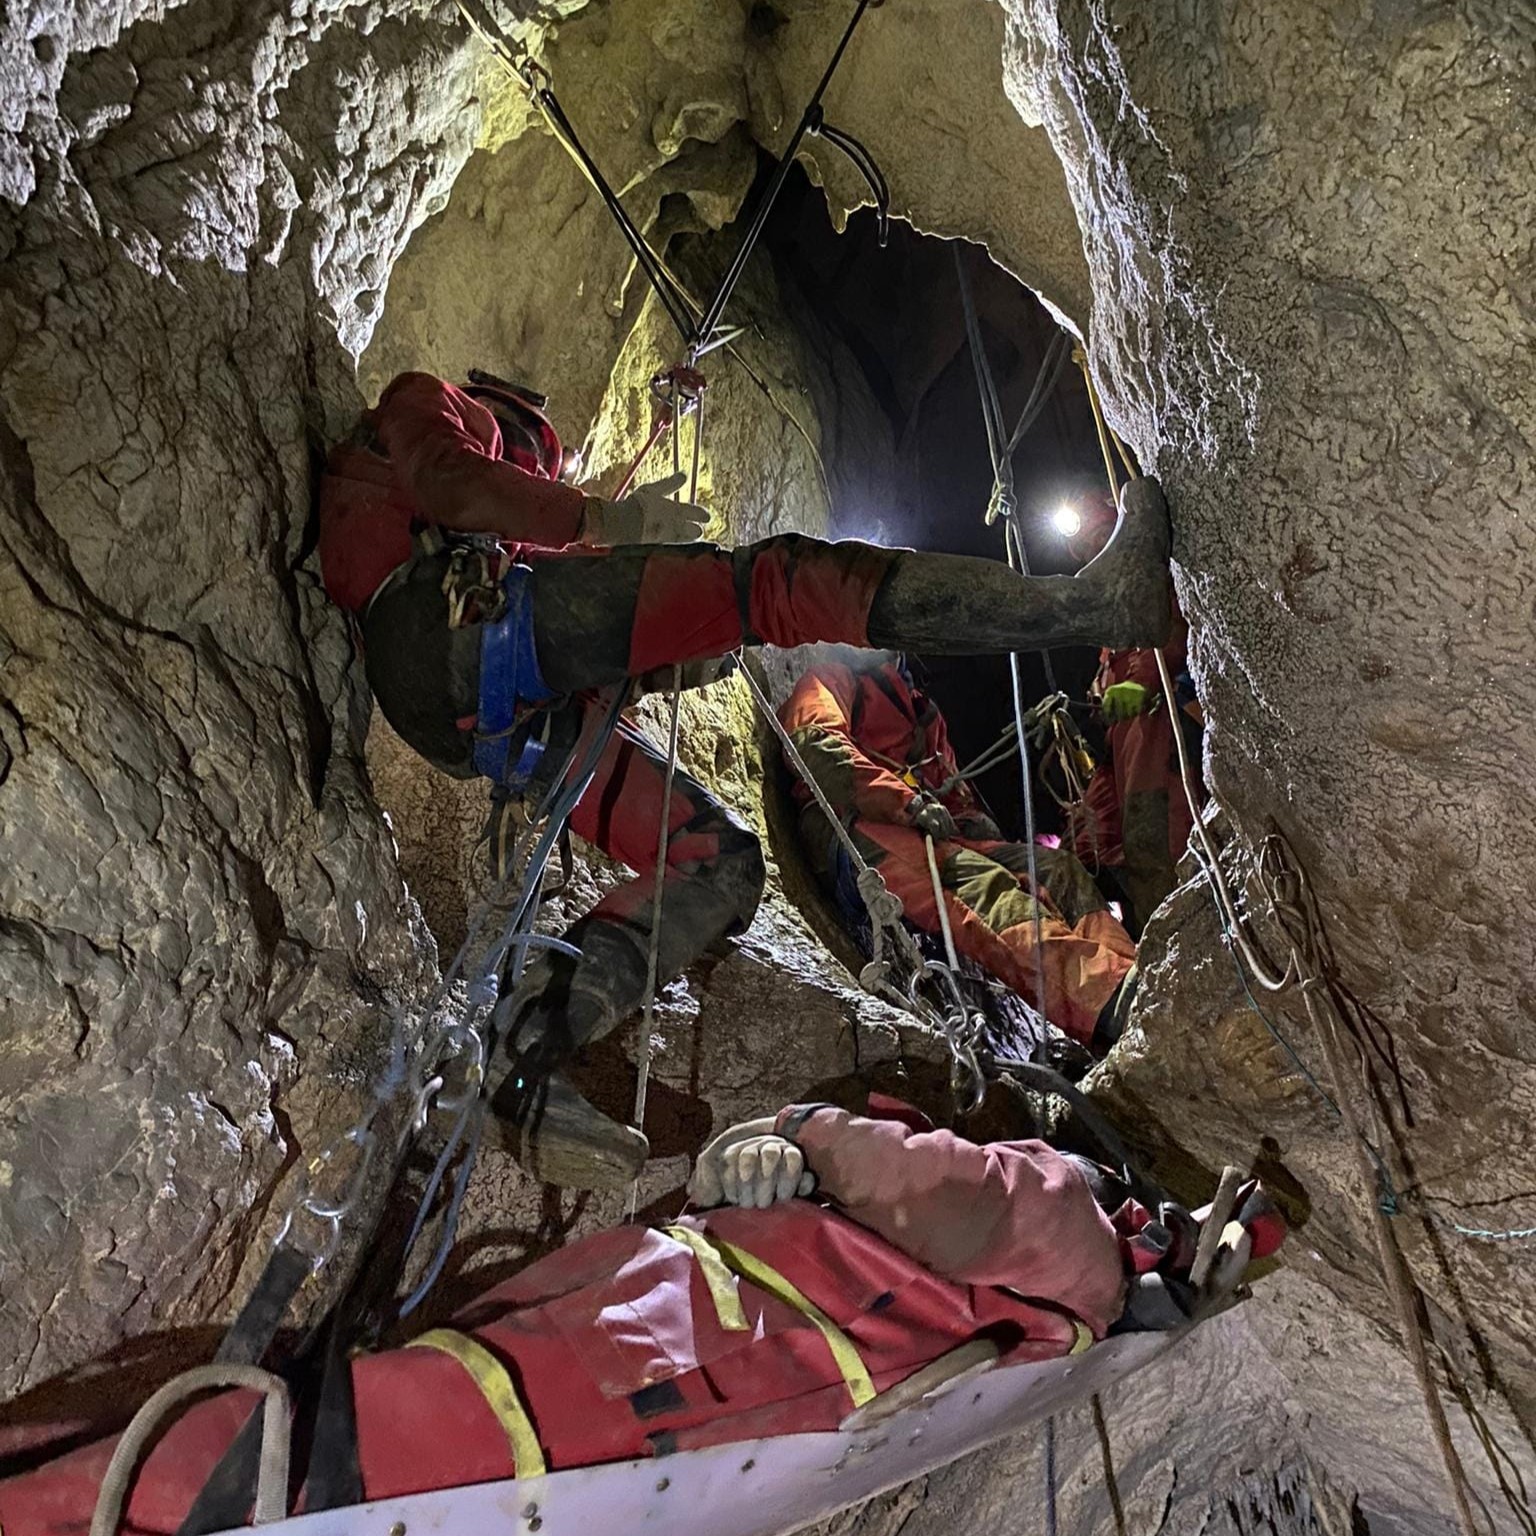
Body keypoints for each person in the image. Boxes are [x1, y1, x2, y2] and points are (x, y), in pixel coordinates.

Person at [319, 369, 1173, 1188]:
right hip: (445, 622)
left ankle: (520, 1055)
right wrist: (597, 518)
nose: (543, 467)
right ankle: (1086, 607)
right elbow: (450, 480)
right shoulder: (431, 404)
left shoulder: (494, 540)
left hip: (494, 713)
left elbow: (564, 625)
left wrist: (653, 658)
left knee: (720, 861)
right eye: (537, 455)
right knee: (775, 583)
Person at [0, 1098, 1285, 1532]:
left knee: (313, 1457)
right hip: (707, 1391)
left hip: (674, 1350)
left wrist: (798, 1133)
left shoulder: (1068, 1219)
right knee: (324, 1457)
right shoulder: (1074, 1338)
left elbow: (936, 1183)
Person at [778, 651, 1138, 1054]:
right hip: (860, 832)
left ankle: (1128, 976)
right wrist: (905, 802)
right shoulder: (833, 679)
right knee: (983, 888)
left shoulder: (923, 713)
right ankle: (1106, 1000)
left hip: (922, 831)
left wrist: (969, 820)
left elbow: (950, 792)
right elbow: (815, 745)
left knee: (1056, 868)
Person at [1064, 497, 1205, 935]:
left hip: (1161, 728)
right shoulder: (1112, 625)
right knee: (1090, 846)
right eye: (1088, 547)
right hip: (1122, 749)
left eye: (1100, 538)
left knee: (1160, 839)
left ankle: (1191, 933)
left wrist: (1142, 682)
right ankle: (1143, 936)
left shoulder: (1155, 577)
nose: (1095, 550)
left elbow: (1173, 629)